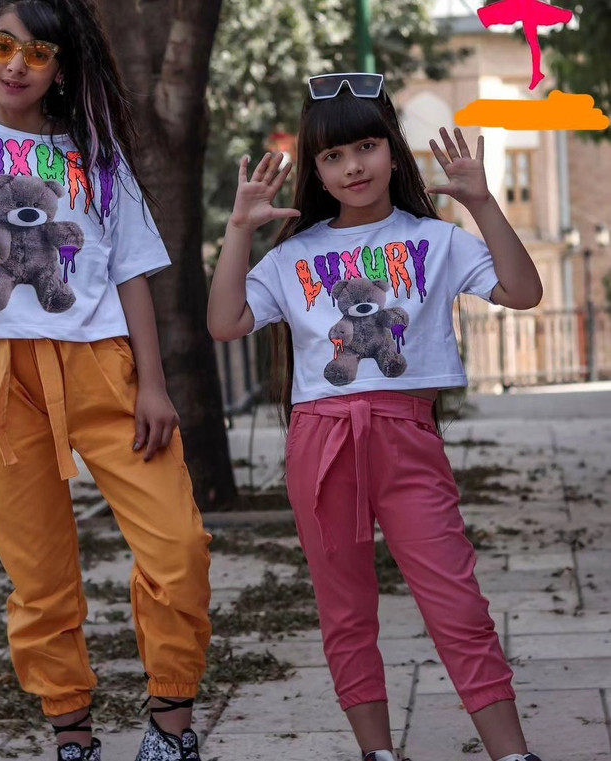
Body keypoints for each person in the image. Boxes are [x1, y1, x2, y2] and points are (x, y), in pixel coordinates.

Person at [0, 2, 211, 760]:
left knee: (178, 546)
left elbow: (132, 270)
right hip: (2, 372)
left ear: (60, 68)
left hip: (103, 364)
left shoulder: (95, 152)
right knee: (37, 569)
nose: (16, 64)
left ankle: (171, 728)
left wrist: (154, 384)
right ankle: (73, 733)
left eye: (38, 52)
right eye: (3, 44)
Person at [207, 72, 544, 761]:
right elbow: (226, 321)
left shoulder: (435, 240)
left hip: (406, 435)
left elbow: (522, 290)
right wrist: (239, 230)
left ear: (393, 148)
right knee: (345, 608)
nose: (353, 166)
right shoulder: (293, 255)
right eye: (333, 155)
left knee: (457, 602)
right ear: (317, 170)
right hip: (322, 441)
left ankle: (513, 754)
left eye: (366, 146)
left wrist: (482, 202)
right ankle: (377, 753)